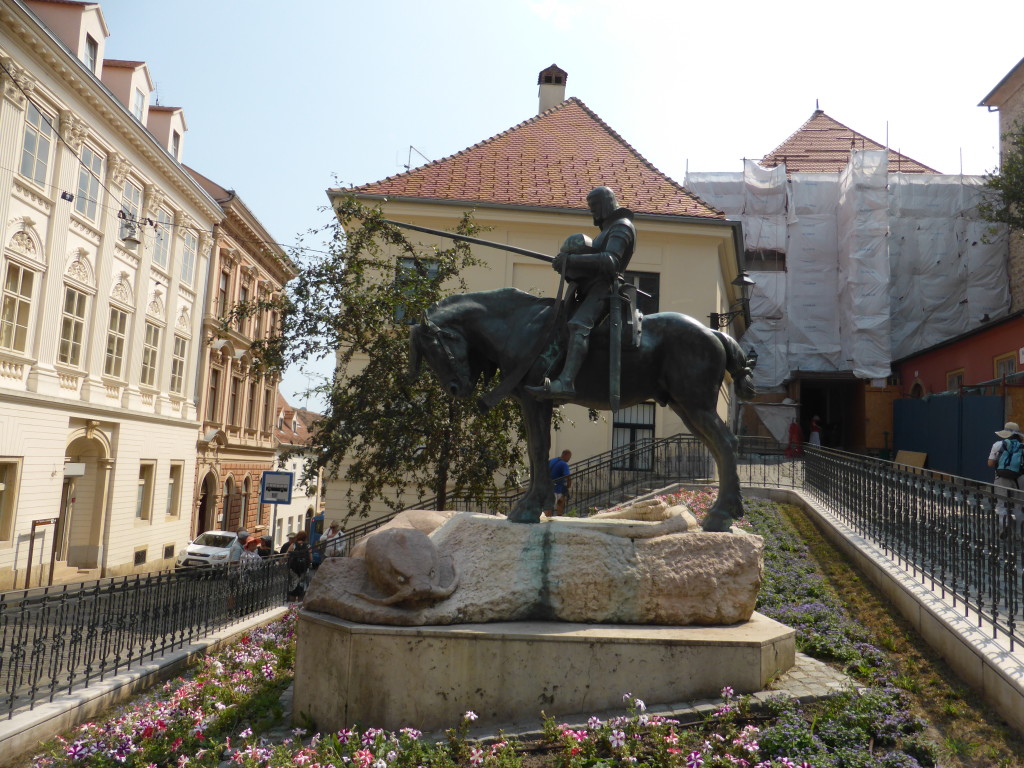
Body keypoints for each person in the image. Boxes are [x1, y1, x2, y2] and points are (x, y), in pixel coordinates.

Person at [526, 186, 636, 400]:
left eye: (594, 206)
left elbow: (611, 262)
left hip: (606, 289)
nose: (592, 212)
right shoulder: (606, 231)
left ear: (605, 203)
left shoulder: (622, 226)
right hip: (589, 288)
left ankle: (566, 382)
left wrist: (571, 260)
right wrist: (570, 268)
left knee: (578, 326)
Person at [287, 530, 312, 600]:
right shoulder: (308, 546)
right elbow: (311, 558)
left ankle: (292, 607)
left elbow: (286, 555)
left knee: (293, 589)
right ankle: (300, 606)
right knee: (302, 589)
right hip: (304, 569)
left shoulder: (293, 545)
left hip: (293, 570)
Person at [546, 449, 572, 516]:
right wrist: (569, 485)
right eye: (569, 457)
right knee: (560, 503)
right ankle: (559, 518)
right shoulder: (564, 464)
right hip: (558, 488)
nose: (569, 459)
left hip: (548, 486)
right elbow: (568, 476)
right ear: (565, 455)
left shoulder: (552, 460)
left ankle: (547, 519)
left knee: (549, 505)